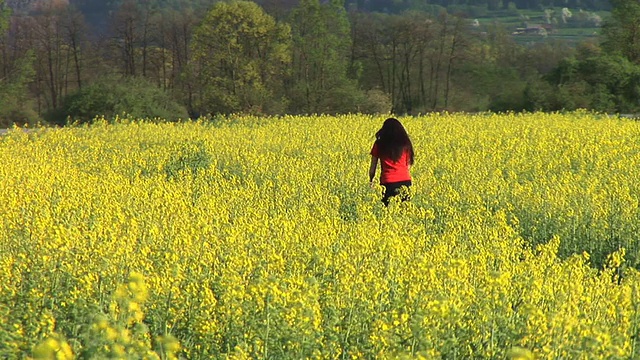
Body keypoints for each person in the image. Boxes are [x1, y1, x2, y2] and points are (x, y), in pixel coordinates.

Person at [368, 117, 415, 206]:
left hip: (388, 183)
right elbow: (408, 165)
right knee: (405, 211)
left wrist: (371, 181)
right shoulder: (405, 144)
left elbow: (372, 169)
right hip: (405, 181)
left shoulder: (379, 144)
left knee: (388, 210)